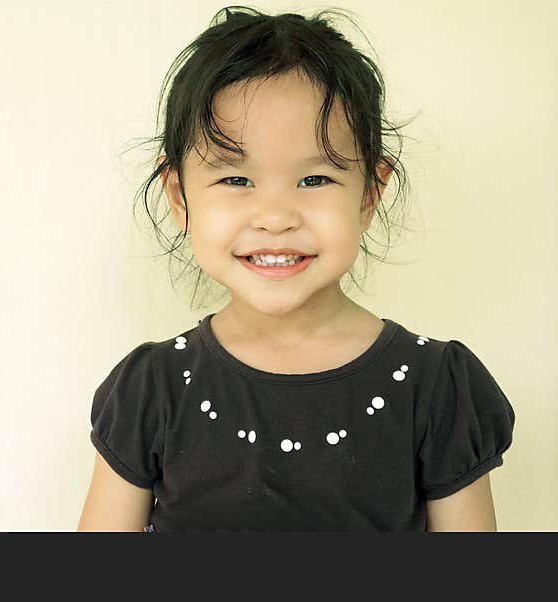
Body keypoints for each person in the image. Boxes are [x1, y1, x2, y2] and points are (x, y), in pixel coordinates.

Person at [77, 6, 515, 532]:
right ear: (178, 196)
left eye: (315, 180)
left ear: (369, 195)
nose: (277, 218)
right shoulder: (151, 389)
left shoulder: (438, 388)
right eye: (236, 180)